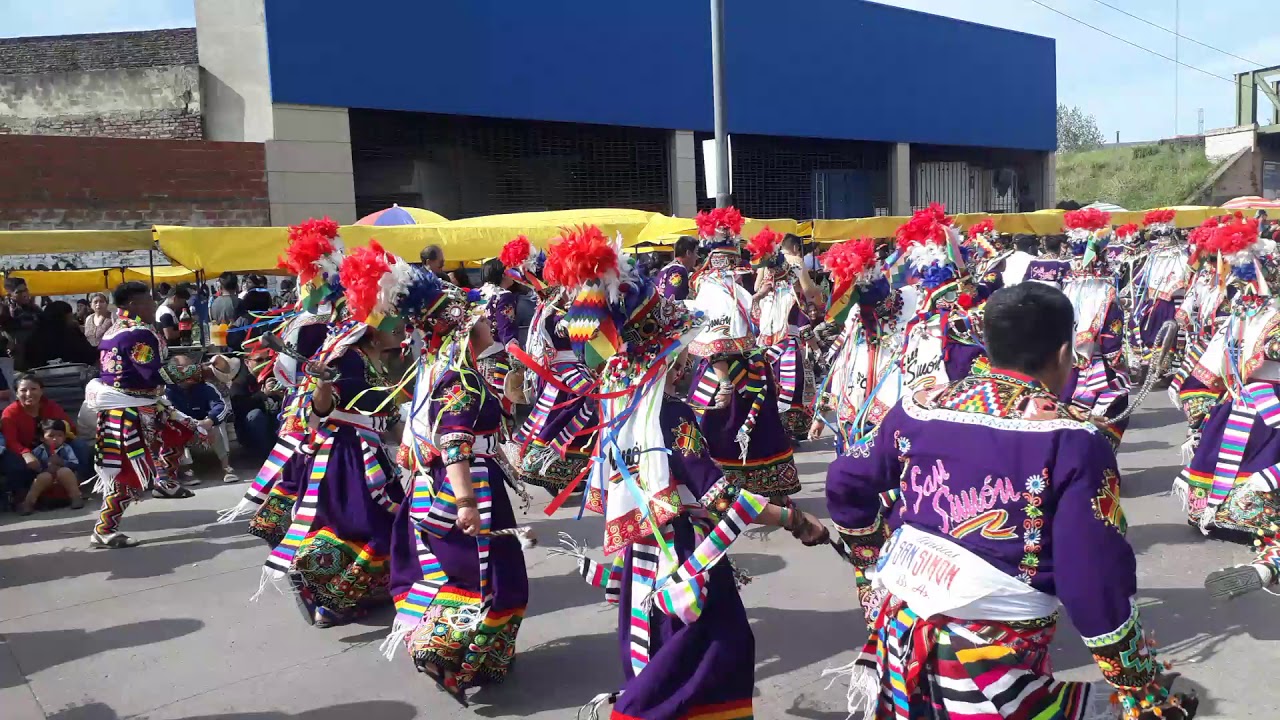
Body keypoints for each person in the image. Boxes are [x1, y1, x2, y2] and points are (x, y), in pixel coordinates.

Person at [826, 282, 1197, 720]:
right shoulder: (1072, 438)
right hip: (995, 655)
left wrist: (870, 566)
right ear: (1064, 353)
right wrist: (1137, 680)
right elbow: (1092, 582)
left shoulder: (921, 406)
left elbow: (846, 480)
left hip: (901, 630)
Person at [538, 226, 828, 720]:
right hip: (681, 553)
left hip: (642, 552)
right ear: (662, 355)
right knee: (717, 651)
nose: (689, 359)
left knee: (655, 651)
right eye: (681, 349)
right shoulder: (668, 415)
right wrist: (794, 520)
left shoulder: (621, 397)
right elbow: (720, 498)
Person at [385, 261, 529, 706]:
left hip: (443, 486)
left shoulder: (449, 373)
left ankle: (457, 655)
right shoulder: (462, 383)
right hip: (470, 489)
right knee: (491, 578)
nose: (488, 323)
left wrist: (509, 393)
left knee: (457, 573)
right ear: (466, 333)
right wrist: (466, 501)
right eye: (480, 321)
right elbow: (456, 446)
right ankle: (450, 659)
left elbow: (489, 423)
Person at [253, 240, 409, 628]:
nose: (403, 330)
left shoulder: (375, 359)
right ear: (376, 329)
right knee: (369, 527)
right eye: (396, 322)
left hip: (370, 452)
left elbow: (387, 415)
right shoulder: (347, 359)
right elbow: (321, 408)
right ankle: (328, 601)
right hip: (346, 458)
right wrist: (323, 385)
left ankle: (347, 593)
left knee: (379, 523)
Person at [687, 207, 800, 499]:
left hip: (748, 370)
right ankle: (736, 493)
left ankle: (765, 489)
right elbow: (718, 343)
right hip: (729, 375)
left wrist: (760, 295)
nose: (739, 273)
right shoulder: (714, 291)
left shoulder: (729, 288)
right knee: (728, 433)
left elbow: (747, 312)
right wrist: (724, 383)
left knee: (758, 430)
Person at [85, 281, 198, 549]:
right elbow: (156, 374)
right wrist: (201, 371)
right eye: (147, 301)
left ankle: (165, 481)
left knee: (178, 431)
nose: (153, 305)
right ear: (132, 305)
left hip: (137, 404)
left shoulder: (114, 330)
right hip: (131, 410)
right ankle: (104, 529)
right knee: (129, 473)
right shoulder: (138, 334)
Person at [1059, 208, 1132, 445]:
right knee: (1112, 410)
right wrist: (1119, 364)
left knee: (1067, 411)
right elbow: (1112, 339)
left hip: (1066, 367)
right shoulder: (1108, 295)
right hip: (1099, 368)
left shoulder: (1065, 292)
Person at [749, 228, 817, 443]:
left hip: (768, 325)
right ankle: (788, 429)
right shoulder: (796, 261)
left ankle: (769, 427)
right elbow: (808, 290)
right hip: (787, 324)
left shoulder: (764, 263)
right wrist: (818, 295)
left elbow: (757, 288)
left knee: (768, 375)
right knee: (791, 377)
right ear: (795, 247)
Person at [2, 374, 79, 511]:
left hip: (57, 450)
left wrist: (60, 445)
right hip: (27, 453)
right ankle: (22, 496)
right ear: (16, 392)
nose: (29, 394)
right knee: (12, 460)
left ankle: (76, 489)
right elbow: (10, 440)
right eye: (23, 390)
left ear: (41, 391)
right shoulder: (10, 413)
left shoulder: (51, 407)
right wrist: (26, 454)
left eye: (33, 389)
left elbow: (70, 428)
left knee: (80, 446)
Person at [1129, 210, 1189, 381]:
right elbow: (1142, 276)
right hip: (1153, 299)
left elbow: (1186, 274)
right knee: (1143, 326)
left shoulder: (1181, 253)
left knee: (1171, 332)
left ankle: (1163, 367)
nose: (1162, 238)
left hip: (1174, 300)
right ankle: (1150, 365)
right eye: (1159, 234)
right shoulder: (1152, 253)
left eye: (1166, 233)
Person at [164, 355, 237, 484]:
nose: (191, 373)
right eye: (185, 369)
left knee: (218, 426)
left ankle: (226, 467)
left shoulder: (206, 387)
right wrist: (190, 424)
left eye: (192, 368)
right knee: (174, 430)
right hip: (184, 425)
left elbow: (220, 406)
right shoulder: (167, 391)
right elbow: (168, 411)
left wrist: (210, 420)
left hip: (205, 425)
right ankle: (186, 470)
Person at [17, 419, 83, 515]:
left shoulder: (66, 449)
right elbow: (34, 469)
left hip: (63, 481)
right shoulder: (38, 451)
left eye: (59, 435)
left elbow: (75, 465)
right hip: (47, 483)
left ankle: (76, 497)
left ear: (64, 437)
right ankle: (29, 503)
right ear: (42, 438)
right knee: (44, 476)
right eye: (51, 436)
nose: (55, 439)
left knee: (64, 472)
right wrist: (45, 468)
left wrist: (61, 462)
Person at [19, 301, 99, 371]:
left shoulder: (34, 337)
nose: (73, 320)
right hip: (73, 380)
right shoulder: (71, 335)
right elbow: (89, 356)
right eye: (70, 317)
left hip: (41, 383)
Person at [479, 257, 520, 346]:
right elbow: (505, 326)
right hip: (496, 347)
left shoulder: (478, 293)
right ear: (503, 274)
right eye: (511, 272)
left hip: (478, 347)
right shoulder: (504, 295)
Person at [2, 278, 41, 369]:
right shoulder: (5, 311)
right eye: (19, 292)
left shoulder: (34, 309)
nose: (24, 294)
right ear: (10, 294)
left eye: (25, 290)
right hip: (16, 357)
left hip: (35, 354)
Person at [655, 235, 697, 301]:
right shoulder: (678, 270)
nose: (697, 257)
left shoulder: (665, 269)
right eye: (696, 252)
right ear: (688, 253)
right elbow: (673, 299)